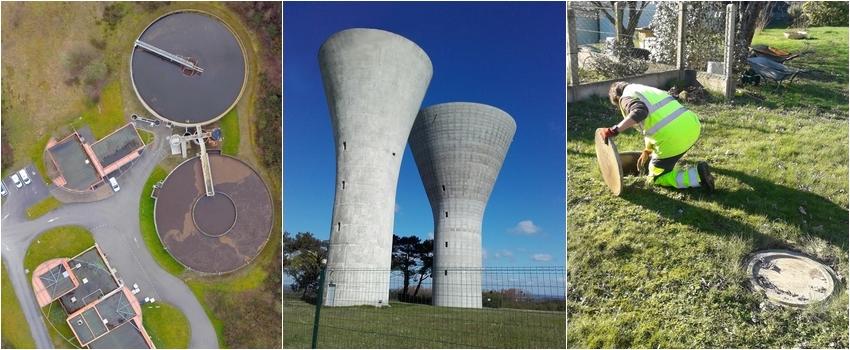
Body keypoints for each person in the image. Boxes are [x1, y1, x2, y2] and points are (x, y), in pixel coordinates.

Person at [600, 81, 715, 191]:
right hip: (693, 126)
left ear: (617, 98)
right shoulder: (645, 90)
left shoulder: (625, 97)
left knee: (656, 178)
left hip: (675, 138)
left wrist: (614, 130)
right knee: (666, 157)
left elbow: (640, 112)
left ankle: (697, 175)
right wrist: (648, 150)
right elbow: (656, 120)